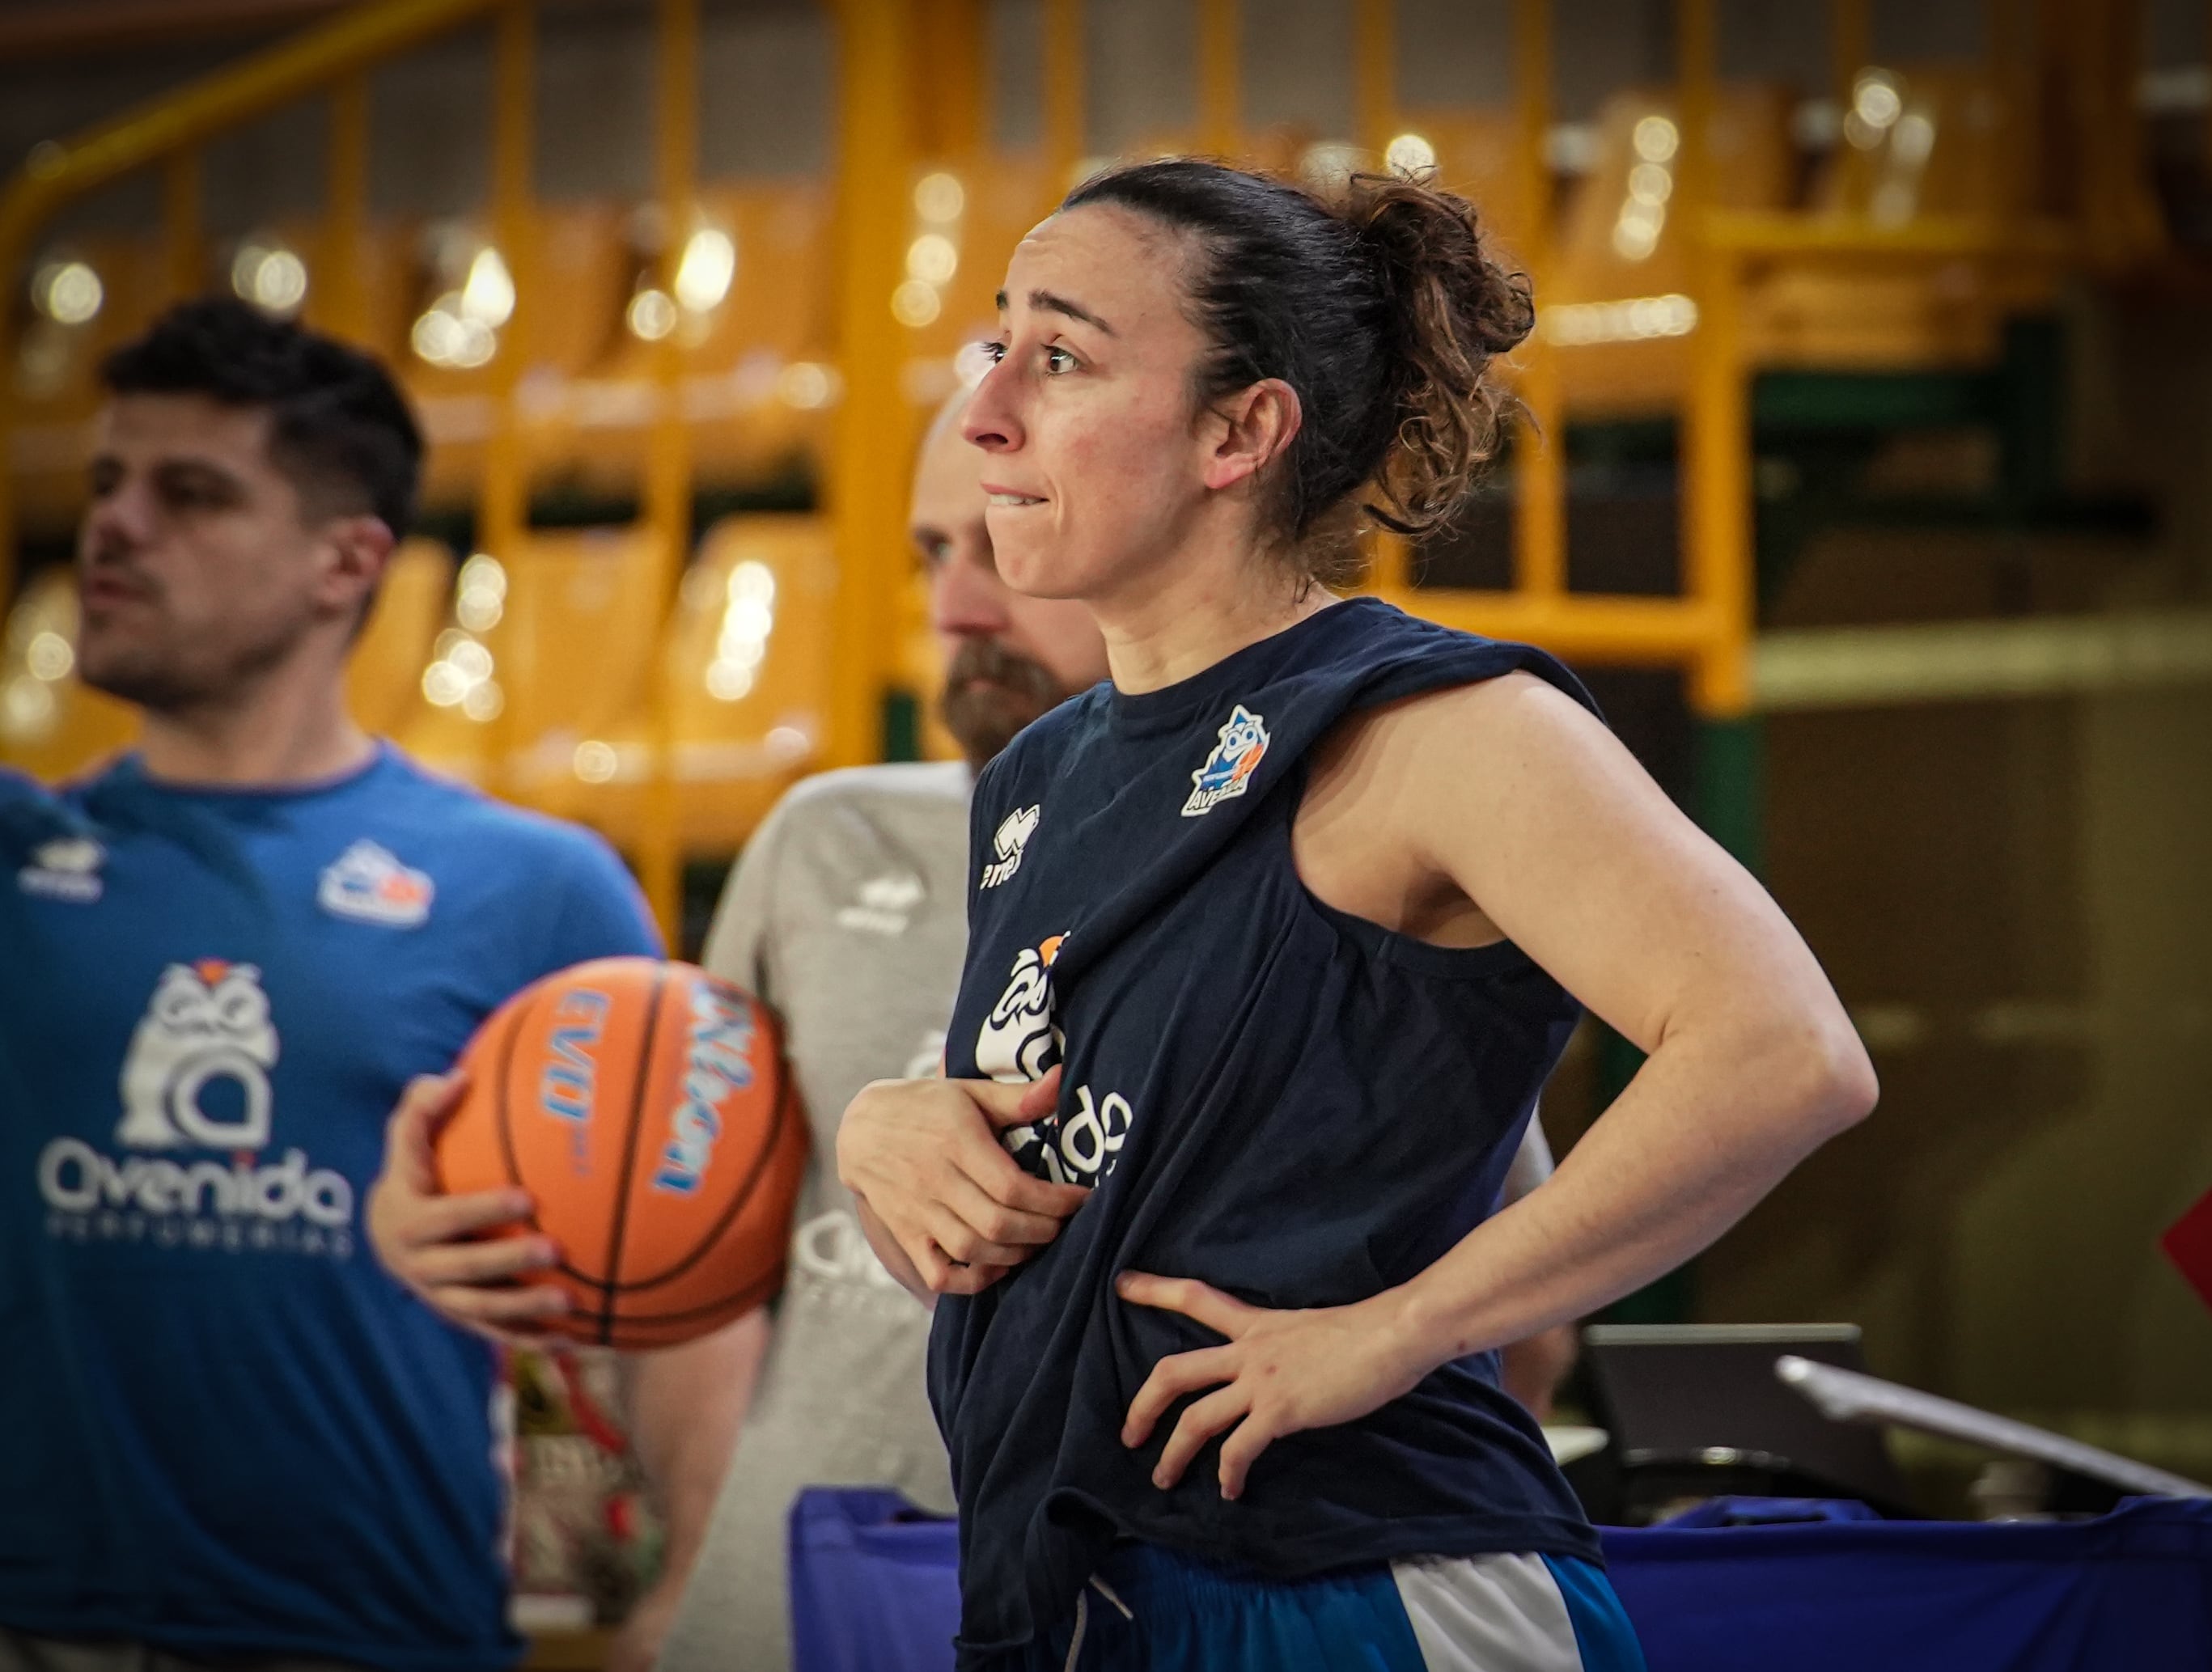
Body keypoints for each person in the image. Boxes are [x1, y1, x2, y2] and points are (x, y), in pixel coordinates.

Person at [833, 159, 1880, 1670]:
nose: (989, 409)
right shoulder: (1041, 776)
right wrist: (894, 1138)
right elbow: (1092, 1216)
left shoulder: (1434, 724)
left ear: (1239, 430)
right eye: (997, 344)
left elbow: (1783, 1055)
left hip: (1361, 1586)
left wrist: (1400, 1328)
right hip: (1075, 1590)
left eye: (1058, 356)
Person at [0, 298, 744, 1672]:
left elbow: (679, 1281)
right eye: (106, 482)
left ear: (345, 562)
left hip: (371, 1635)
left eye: (192, 494)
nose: (114, 526)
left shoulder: (531, 885)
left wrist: (683, 1592)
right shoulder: (21, 857)